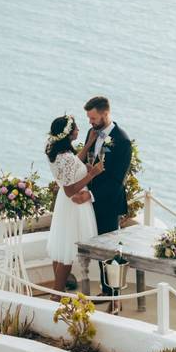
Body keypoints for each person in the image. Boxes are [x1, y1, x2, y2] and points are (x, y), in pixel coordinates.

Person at [45, 114, 104, 297]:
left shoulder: (55, 150)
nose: (79, 130)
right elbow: (70, 190)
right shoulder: (65, 157)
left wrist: (88, 145)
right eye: (76, 128)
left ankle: (57, 289)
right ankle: (57, 294)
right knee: (68, 250)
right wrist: (92, 173)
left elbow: (72, 165)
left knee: (61, 247)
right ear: (69, 134)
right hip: (73, 204)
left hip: (64, 205)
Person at [83, 96, 132, 296]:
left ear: (105, 113)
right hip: (90, 201)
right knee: (97, 248)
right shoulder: (90, 133)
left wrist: (92, 195)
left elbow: (116, 180)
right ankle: (105, 290)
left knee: (110, 251)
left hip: (109, 202)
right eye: (88, 118)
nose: (90, 122)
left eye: (93, 117)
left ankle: (114, 296)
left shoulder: (122, 141)